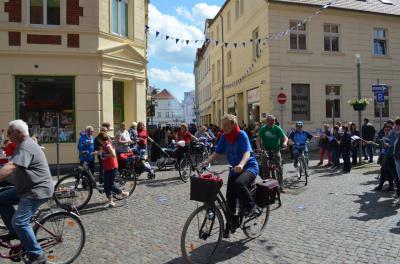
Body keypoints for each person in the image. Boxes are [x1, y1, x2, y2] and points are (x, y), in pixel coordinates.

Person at [0, 120, 53, 264]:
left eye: (9, 132)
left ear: (18, 132)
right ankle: (15, 232)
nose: (8, 135)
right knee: (1, 199)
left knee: (20, 221)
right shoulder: (19, 146)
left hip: (37, 190)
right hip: (26, 188)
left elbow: (11, 166)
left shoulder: (26, 146)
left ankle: (37, 255)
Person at [203, 114, 259, 238]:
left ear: (234, 124)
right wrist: (206, 162)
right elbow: (217, 152)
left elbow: (247, 152)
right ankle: (231, 224)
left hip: (249, 167)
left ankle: (251, 207)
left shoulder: (242, 135)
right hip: (235, 169)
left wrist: (241, 164)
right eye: (223, 125)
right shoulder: (224, 137)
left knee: (240, 184)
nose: (224, 127)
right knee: (230, 200)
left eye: (227, 125)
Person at [96, 132, 129, 208]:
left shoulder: (108, 145)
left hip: (112, 167)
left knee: (110, 185)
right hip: (107, 167)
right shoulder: (104, 145)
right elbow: (102, 152)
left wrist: (104, 155)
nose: (98, 141)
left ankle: (123, 193)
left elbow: (113, 154)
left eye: (99, 139)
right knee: (106, 185)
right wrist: (95, 153)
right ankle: (110, 201)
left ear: (101, 139)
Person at [256, 115, 288, 187]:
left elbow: (285, 137)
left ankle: (280, 182)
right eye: (269, 122)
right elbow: (258, 139)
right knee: (264, 163)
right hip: (266, 148)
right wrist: (258, 147)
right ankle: (266, 180)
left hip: (275, 148)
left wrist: (285, 143)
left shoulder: (277, 128)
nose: (271, 123)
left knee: (279, 164)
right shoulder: (263, 129)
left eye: (273, 121)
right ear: (266, 122)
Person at [374, 124, 395, 191]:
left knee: (384, 171)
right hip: (384, 156)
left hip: (389, 157)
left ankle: (381, 186)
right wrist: (371, 142)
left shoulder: (392, 137)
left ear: (391, 130)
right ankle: (390, 186)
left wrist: (386, 144)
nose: (386, 131)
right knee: (388, 172)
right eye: (385, 130)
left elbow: (391, 147)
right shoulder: (384, 137)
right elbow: (379, 146)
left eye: (388, 130)